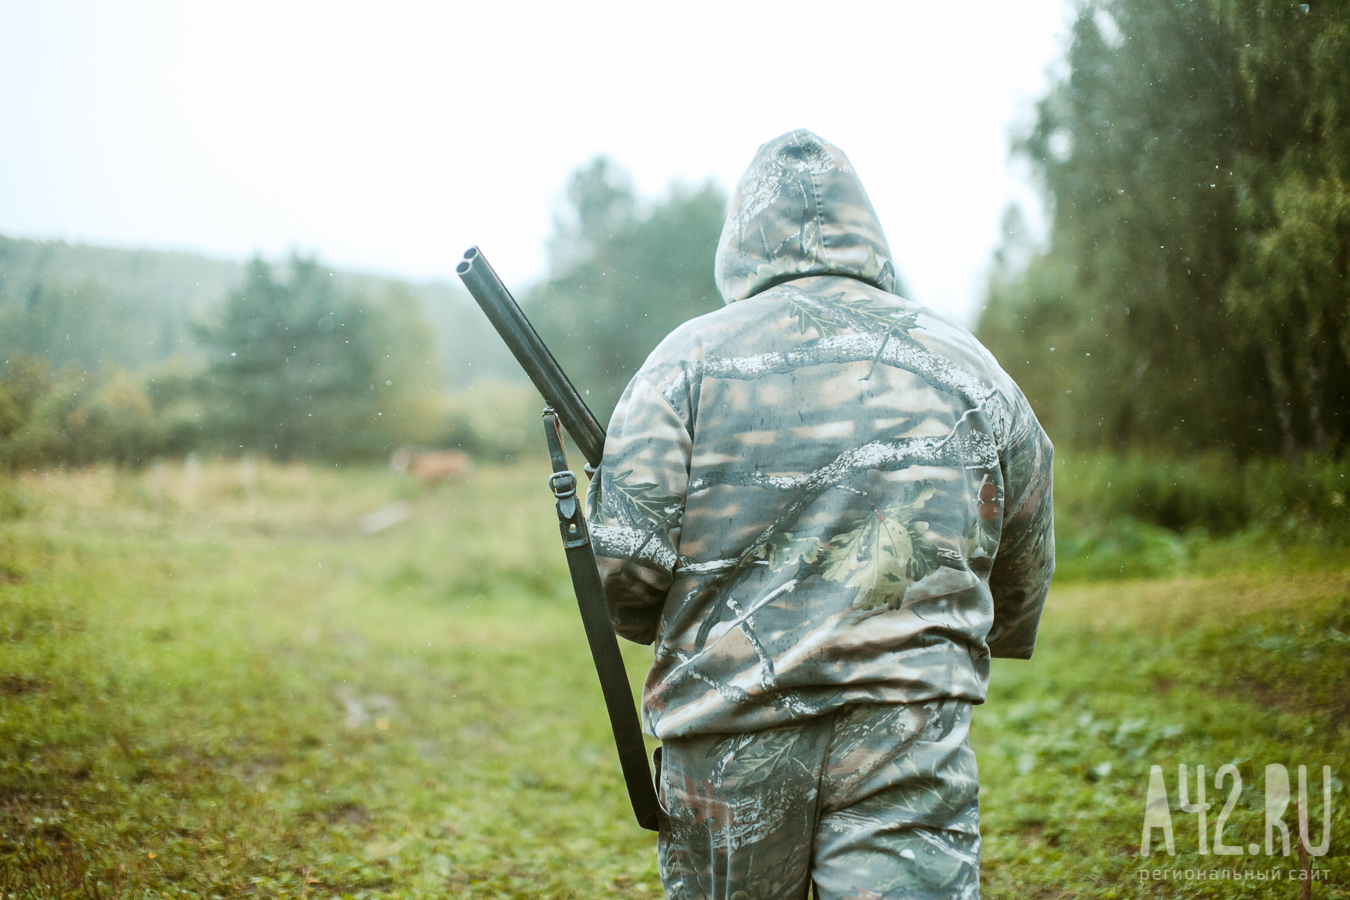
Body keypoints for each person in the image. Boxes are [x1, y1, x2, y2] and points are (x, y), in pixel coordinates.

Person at [586, 130, 1055, 900]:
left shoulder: (682, 364)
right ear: (868, 231)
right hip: (906, 732)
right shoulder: (965, 364)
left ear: (740, 240)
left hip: (725, 742)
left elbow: (623, 577)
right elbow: (1022, 558)